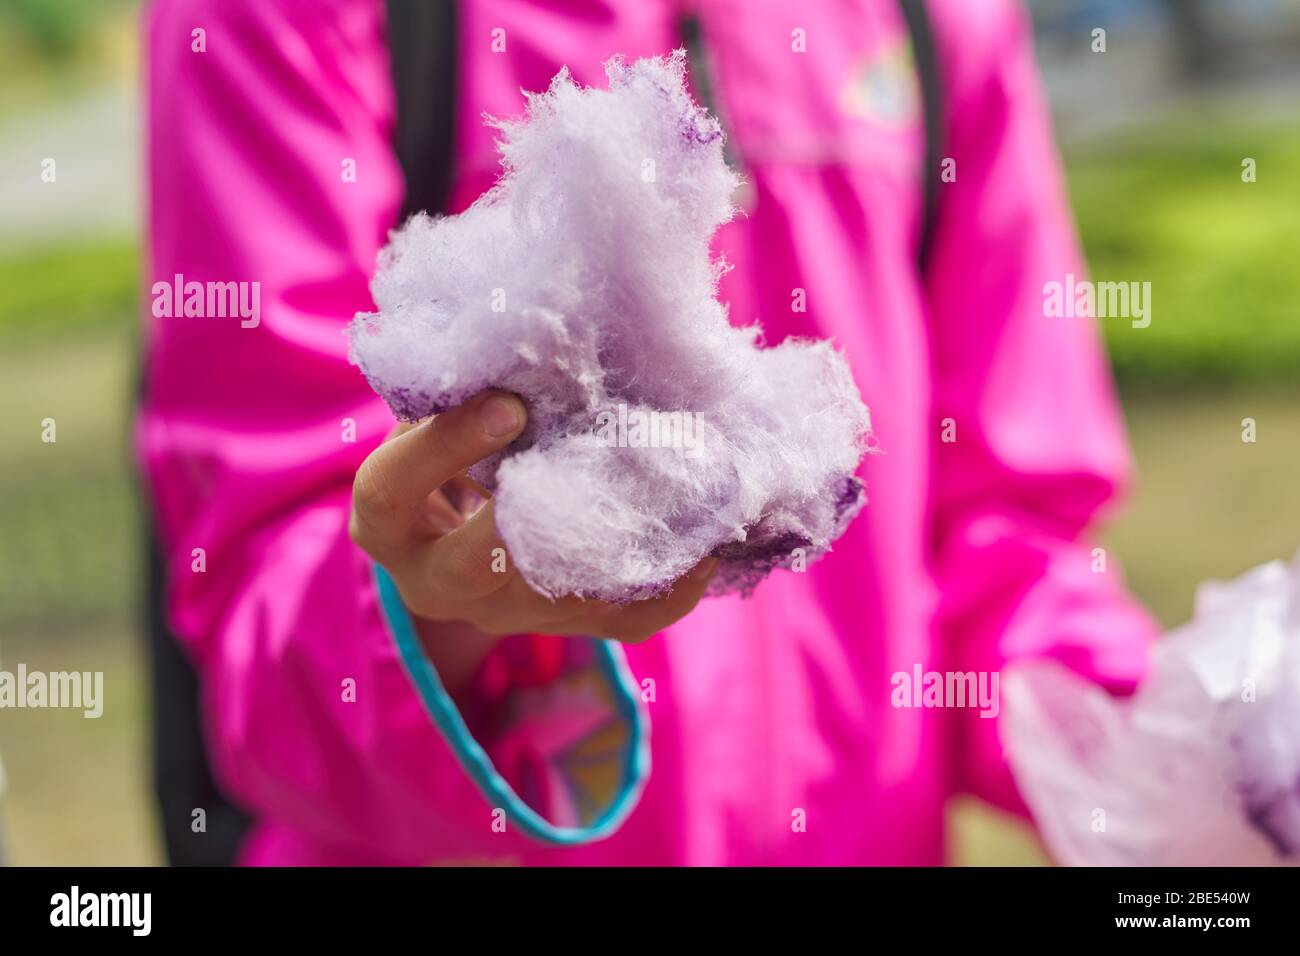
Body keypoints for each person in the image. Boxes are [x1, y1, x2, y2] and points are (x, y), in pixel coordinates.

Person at [139, 0, 1155, 865]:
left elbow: (1003, 535)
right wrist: (439, 609)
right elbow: (254, 609)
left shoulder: (942, 21)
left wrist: (1180, 755)